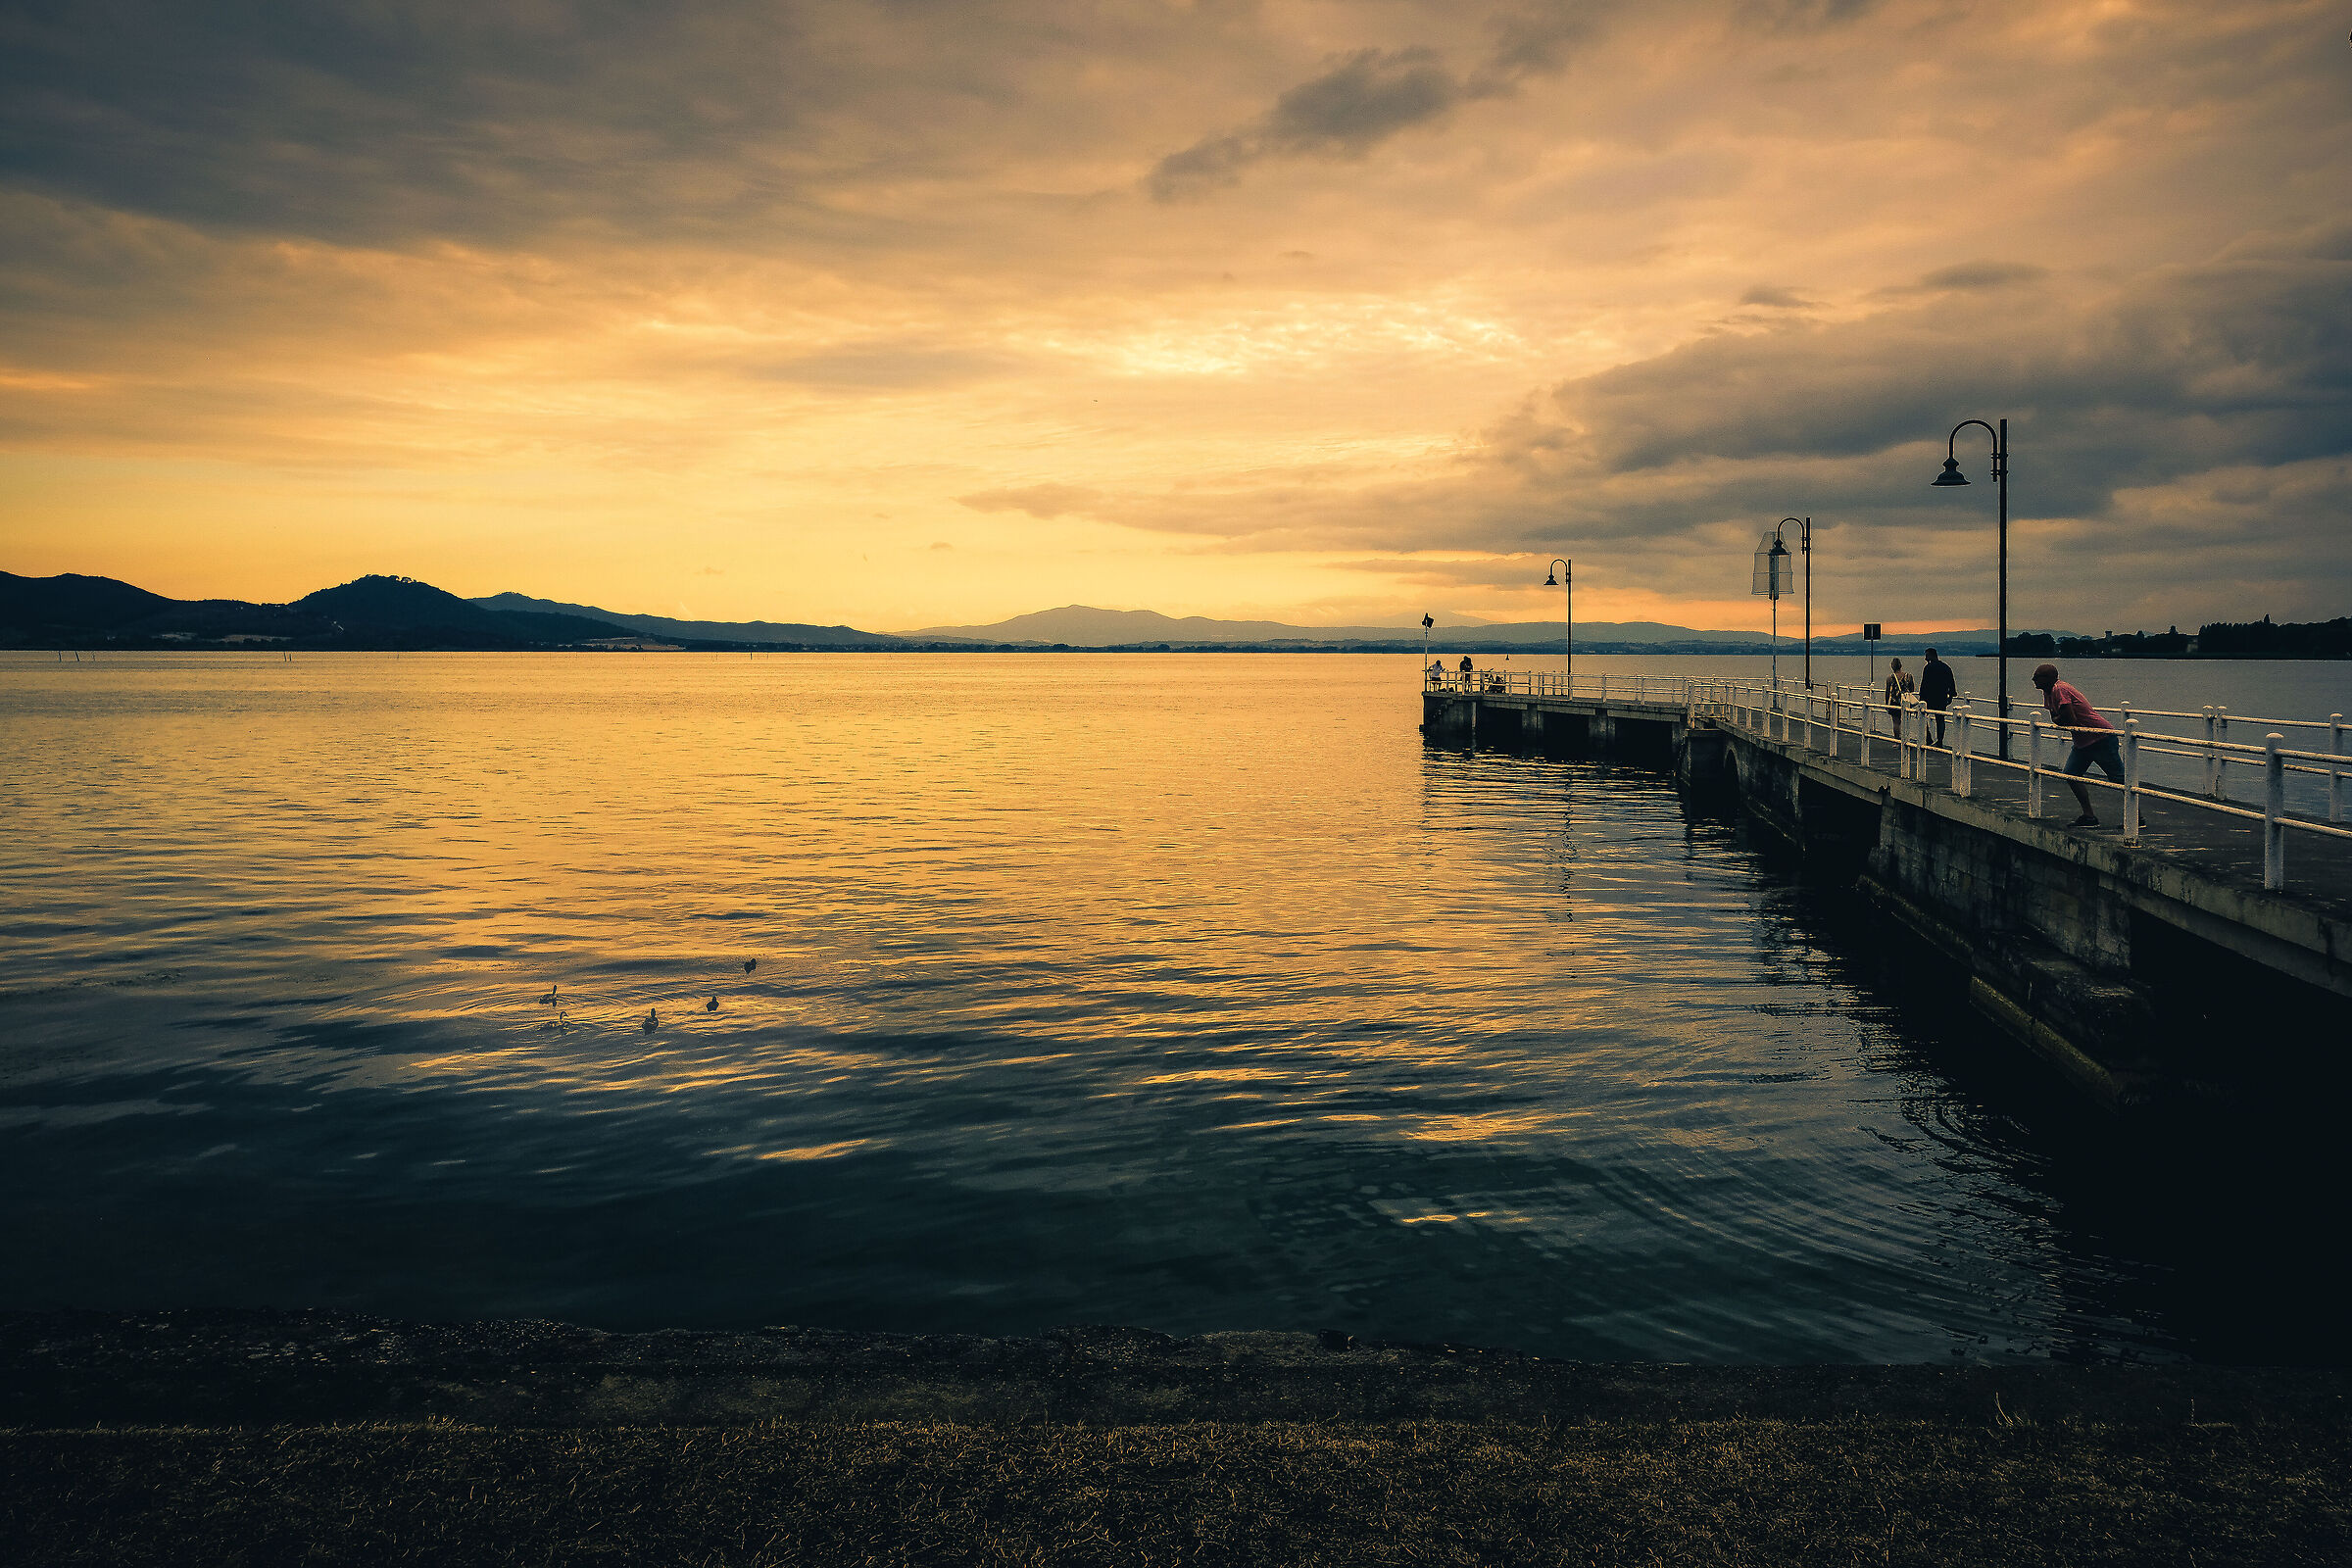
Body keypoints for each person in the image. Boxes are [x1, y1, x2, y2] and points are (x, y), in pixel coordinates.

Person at [2034, 662, 2122, 827]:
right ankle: (2089, 817)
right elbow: (2057, 717)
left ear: (2050, 678)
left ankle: (2136, 818)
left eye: (2037, 676)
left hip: (2100, 737)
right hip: (2082, 742)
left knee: (2118, 778)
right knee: (2071, 774)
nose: (2033, 679)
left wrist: (2060, 719)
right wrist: (2060, 719)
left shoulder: (2060, 689)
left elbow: (2068, 719)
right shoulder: (2048, 693)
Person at [1918, 647, 1957, 747]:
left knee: (1921, 717)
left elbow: (1924, 684)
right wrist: (1952, 695)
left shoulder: (1928, 668)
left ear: (1931, 655)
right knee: (1940, 720)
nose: (1925, 658)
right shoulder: (1946, 667)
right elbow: (1951, 682)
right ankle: (1940, 741)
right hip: (1941, 698)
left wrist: (1921, 698)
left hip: (1929, 698)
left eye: (1926, 655)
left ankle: (1928, 738)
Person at [1883, 658, 1915, 736]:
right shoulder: (1909, 676)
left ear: (1892, 666)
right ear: (1901, 665)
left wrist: (1886, 703)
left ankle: (1897, 741)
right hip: (1906, 701)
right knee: (1906, 722)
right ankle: (1906, 740)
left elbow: (1887, 692)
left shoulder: (1890, 678)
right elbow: (1912, 689)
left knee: (1896, 723)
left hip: (1895, 702)